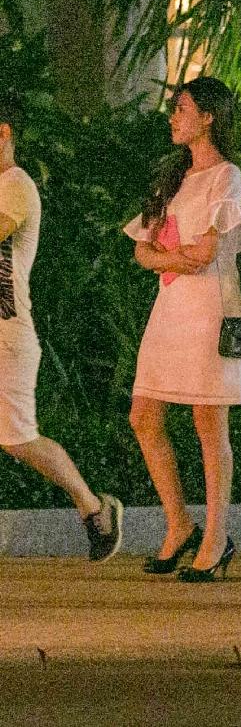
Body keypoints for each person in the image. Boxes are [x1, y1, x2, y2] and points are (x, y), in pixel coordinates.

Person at [124, 76, 241, 582]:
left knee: (209, 422)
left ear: (208, 117)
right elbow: (142, 251)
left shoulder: (227, 176)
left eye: (181, 109)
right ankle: (179, 524)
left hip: (211, 309)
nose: (173, 117)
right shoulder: (172, 176)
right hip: (171, 305)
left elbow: (206, 254)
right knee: (143, 415)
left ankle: (215, 538)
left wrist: (169, 256)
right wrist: (173, 257)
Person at [0, 96, 123, 563]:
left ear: (4, 133)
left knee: (18, 440)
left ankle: (93, 507)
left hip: (8, 334)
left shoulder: (16, 185)